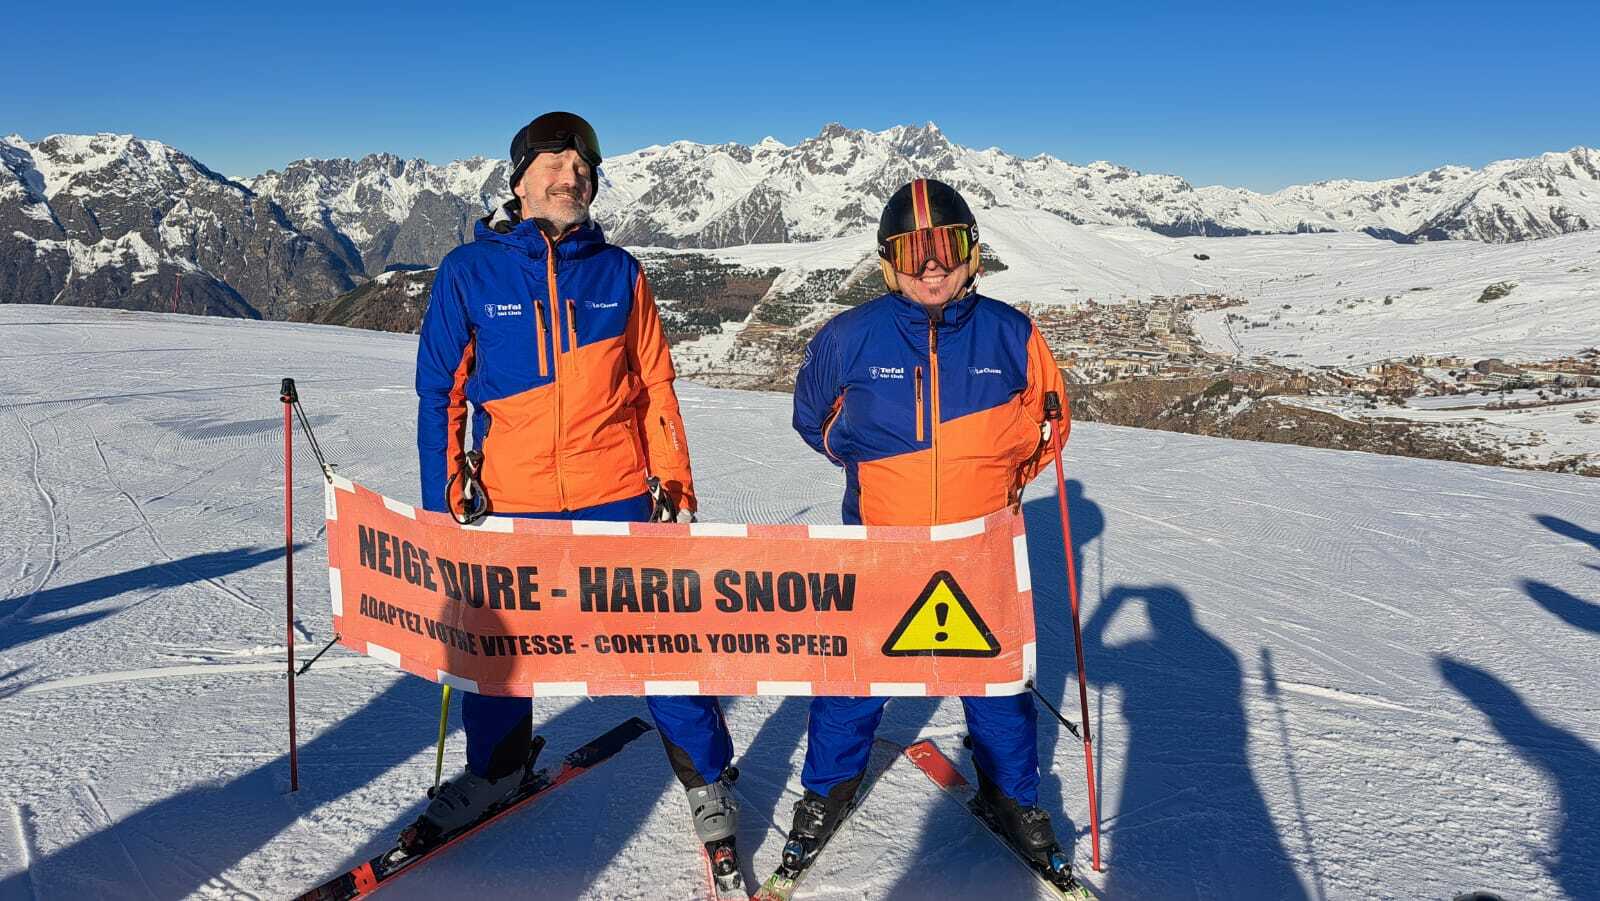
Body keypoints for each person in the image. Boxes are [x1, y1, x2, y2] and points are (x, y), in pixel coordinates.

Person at [412, 112, 737, 851]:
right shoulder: (469, 271)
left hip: (616, 492)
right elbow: (441, 392)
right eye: (555, 164)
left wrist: (674, 482)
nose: (573, 176)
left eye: (583, 166)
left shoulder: (619, 272)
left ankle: (707, 775)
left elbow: (654, 383)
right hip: (510, 498)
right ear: (519, 181)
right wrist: (441, 500)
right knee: (495, 649)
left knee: (662, 642)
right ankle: (496, 769)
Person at [789, 179, 1073, 876]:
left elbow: (1049, 425)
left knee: (996, 682)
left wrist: (995, 482)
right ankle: (828, 790)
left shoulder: (1012, 333)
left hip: (981, 546)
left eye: (946, 245)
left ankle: (1012, 797)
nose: (932, 265)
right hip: (881, 543)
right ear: (890, 262)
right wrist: (878, 465)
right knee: (855, 675)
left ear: (971, 251)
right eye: (913, 251)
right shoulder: (849, 336)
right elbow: (813, 418)